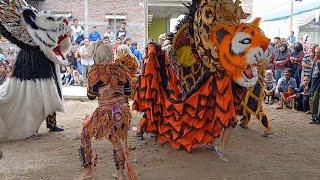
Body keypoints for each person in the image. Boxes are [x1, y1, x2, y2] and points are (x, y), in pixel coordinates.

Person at [78, 49, 137, 180]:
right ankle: (120, 173)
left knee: (85, 134)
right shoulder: (122, 71)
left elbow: (91, 96)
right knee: (116, 141)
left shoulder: (96, 72)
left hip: (105, 112)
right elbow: (128, 92)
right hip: (121, 111)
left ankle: (88, 172)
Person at [309, 47, 320, 124]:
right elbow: (312, 74)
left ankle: (317, 118)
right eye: (315, 52)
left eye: (318, 52)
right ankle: (314, 117)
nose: (316, 54)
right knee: (313, 100)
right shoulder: (315, 62)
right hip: (313, 83)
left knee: (316, 100)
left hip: (318, 85)